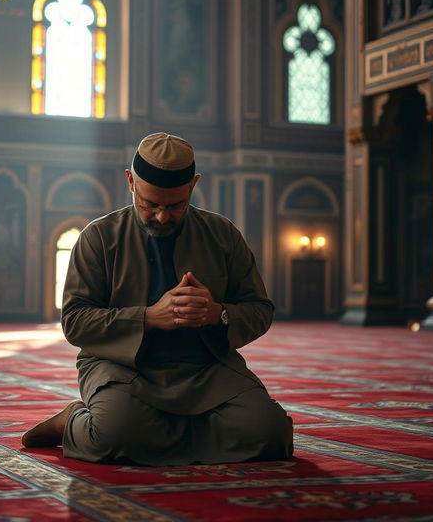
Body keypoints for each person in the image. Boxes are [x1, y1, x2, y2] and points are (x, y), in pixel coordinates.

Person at [22, 132, 293, 465]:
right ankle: (72, 422)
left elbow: (260, 309)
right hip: (122, 368)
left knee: (271, 435)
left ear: (193, 185)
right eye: (150, 205)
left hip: (206, 368)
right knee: (113, 437)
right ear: (130, 182)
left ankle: (150, 430)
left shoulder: (222, 235)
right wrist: (148, 317)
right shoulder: (99, 237)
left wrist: (216, 313)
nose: (162, 216)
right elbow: (75, 322)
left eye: (175, 205)